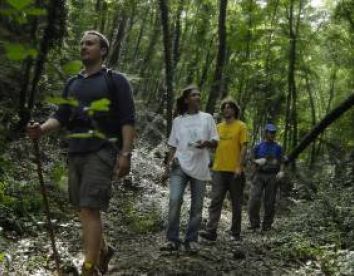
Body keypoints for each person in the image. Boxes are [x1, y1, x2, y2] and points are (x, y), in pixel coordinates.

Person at [27, 30, 135, 275]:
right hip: (75, 150)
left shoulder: (115, 80)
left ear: (103, 51)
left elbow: (128, 119)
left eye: (90, 43)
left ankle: (89, 267)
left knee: (89, 207)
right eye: (82, 43)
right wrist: (41, 129)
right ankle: (104, 250)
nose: (84, 47)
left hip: (103, 150)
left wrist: (125, 154)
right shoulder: (72, 82)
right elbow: (61, 116)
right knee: (84, 207)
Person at [161, 84, 219, 253]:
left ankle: (191, 240)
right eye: (194, 95)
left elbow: (216, 141)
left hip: (200, 167)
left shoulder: (207, 118)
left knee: (197, 206)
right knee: (174, 200)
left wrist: (207, 143)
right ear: (186, 100)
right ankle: (172, 240)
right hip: (179, 165)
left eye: (199, 95)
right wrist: (166, 168)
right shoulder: (178, 121)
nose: (198, 97)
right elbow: (172, 146)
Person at [199, 98, 248, 242]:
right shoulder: (218, 127)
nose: (226, 109)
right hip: (219, 169)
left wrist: (240, 166)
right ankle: (211, 231)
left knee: (236, 203)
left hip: (235, 171)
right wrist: (205, 143)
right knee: (216, 200)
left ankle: (235, 233)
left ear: (234, 110)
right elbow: (213, 144)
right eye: (224, 107)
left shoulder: (241, 126)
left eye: (229, 107)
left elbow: (244, 146)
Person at [248, 123, 284, 232]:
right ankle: (254, 224)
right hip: (259, 174)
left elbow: (282, 161)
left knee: (270, 201)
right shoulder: (258, 146)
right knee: (254, 199)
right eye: (270, 132)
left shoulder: (278, 148)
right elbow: (251, 159)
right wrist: (256, 162)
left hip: (272, 175)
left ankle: (267, 225)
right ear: (266, 133)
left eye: (274, 132)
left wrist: (282, 171)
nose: (272, 134)